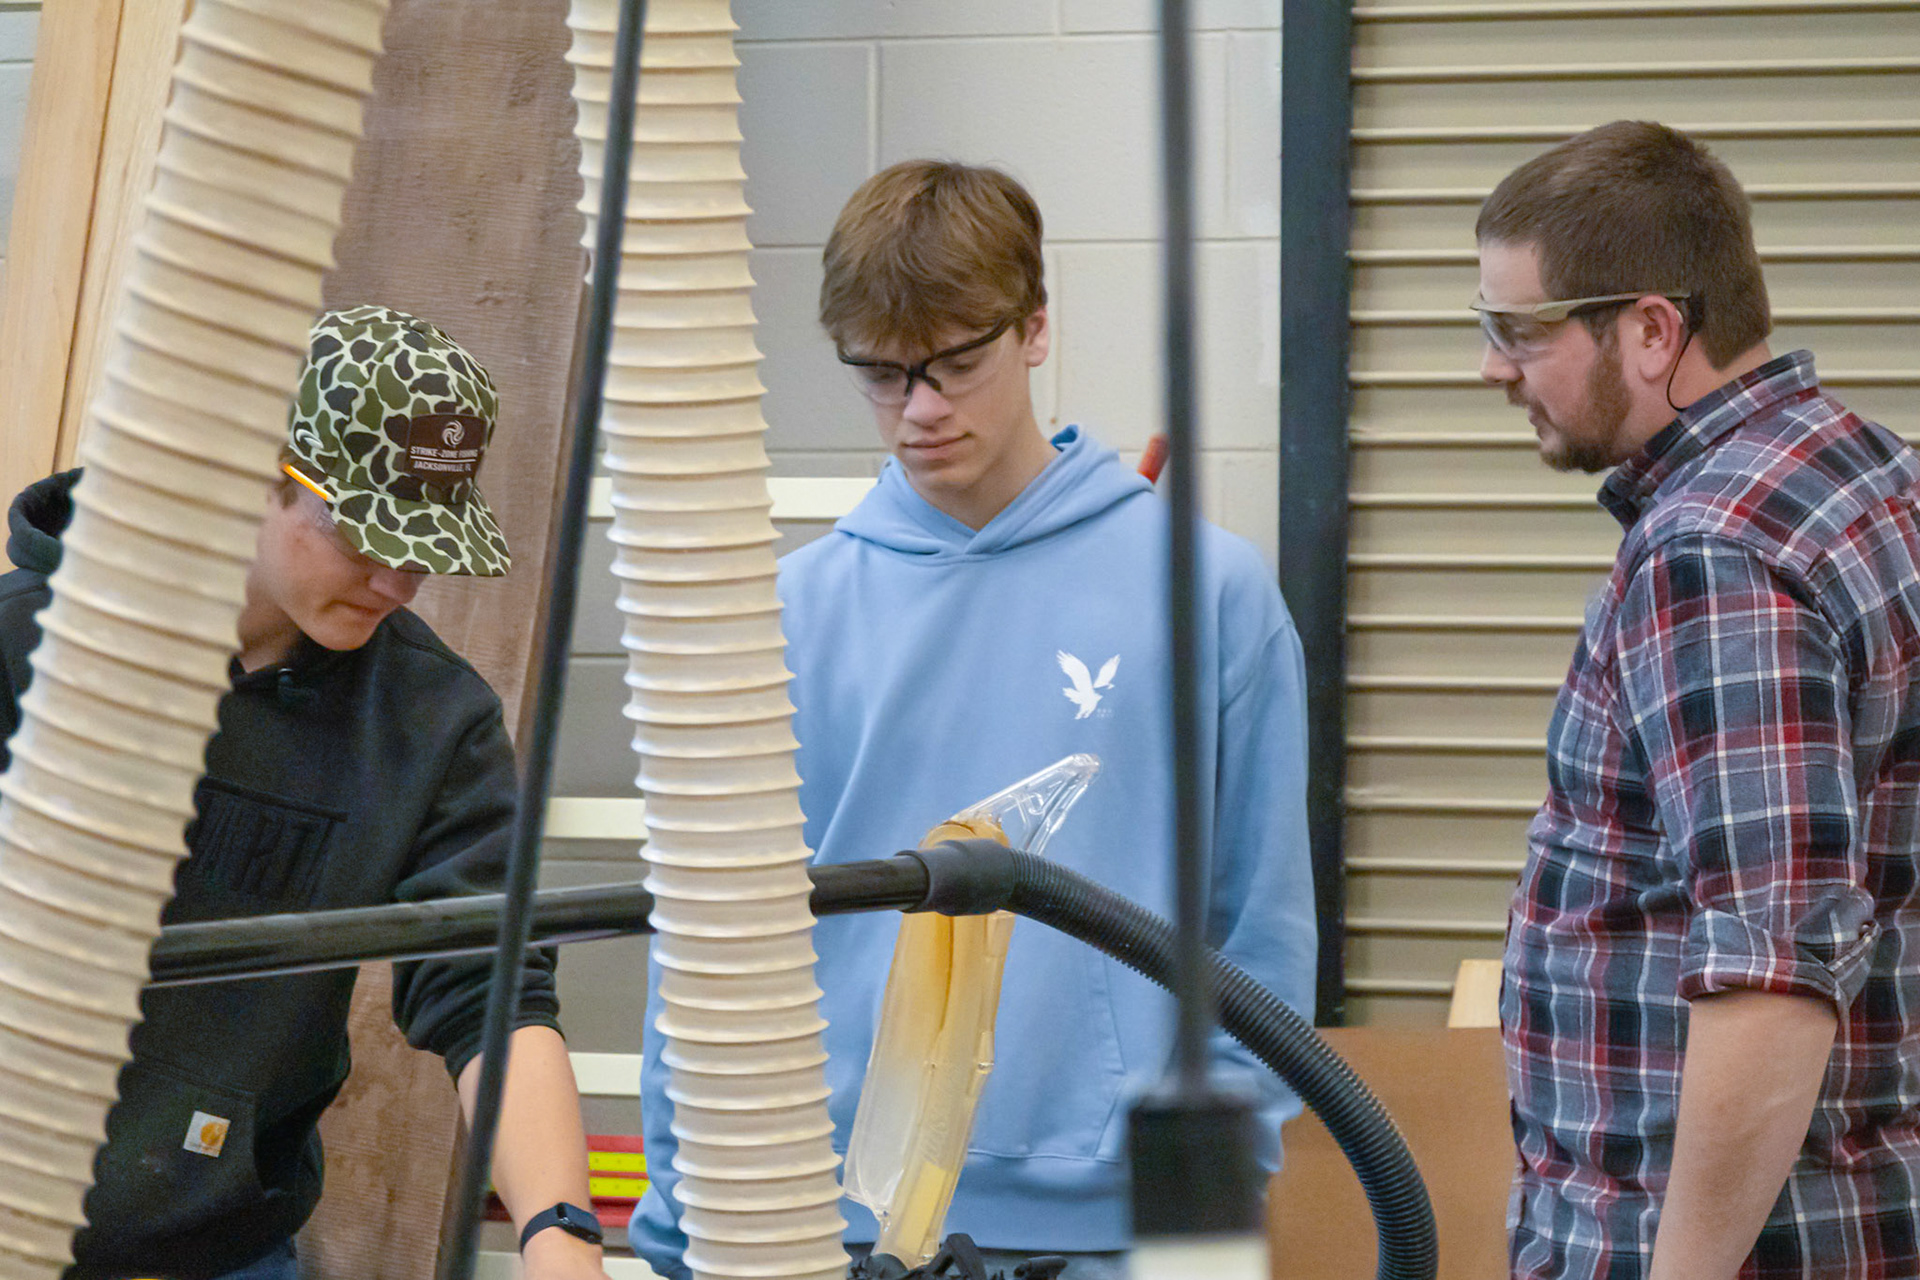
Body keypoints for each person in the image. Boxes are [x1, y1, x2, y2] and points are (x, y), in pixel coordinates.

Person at [628, 161, 1319, 1278]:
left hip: (1119, 1232)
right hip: (827, 1226)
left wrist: (1198, 1221)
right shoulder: (783, 619)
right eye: (884, 374)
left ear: (1037, 327)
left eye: (956, 361)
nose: (923, 408)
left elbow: (1265, 942)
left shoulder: (1208, 596)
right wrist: (679, 1230)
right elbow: (708, 958)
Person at [0, 306, 610, 1280]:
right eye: (363, 532)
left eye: (422, 545)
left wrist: (561, 1233)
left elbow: (489, 988)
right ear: (255, 471)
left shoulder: (429, 722)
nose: (396, 581)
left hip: (219, 1247)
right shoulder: (30, 650)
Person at [1482, 121, 1920, 1280]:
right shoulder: (1866, 467)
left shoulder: (1713, 547)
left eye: (1518, 331)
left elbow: (1773, 974)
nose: (1491, 367)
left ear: (1652, 330)